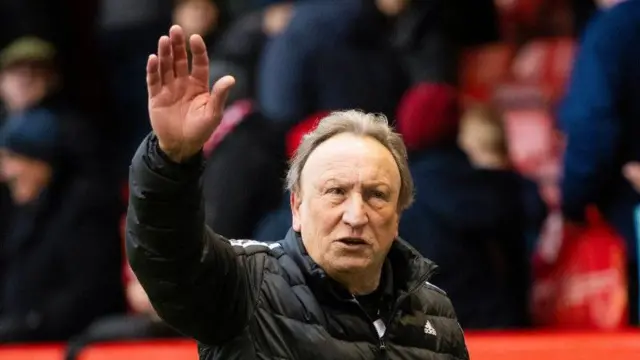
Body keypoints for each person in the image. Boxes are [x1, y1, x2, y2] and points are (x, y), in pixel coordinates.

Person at [127, 25, 469, 359]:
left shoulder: (435, 315)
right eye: (336, 191)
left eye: (377, 195)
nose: (355, 215)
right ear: (296, 207)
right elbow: (168, 258)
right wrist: (170, 159)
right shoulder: (247, 285)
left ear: (397, 216)